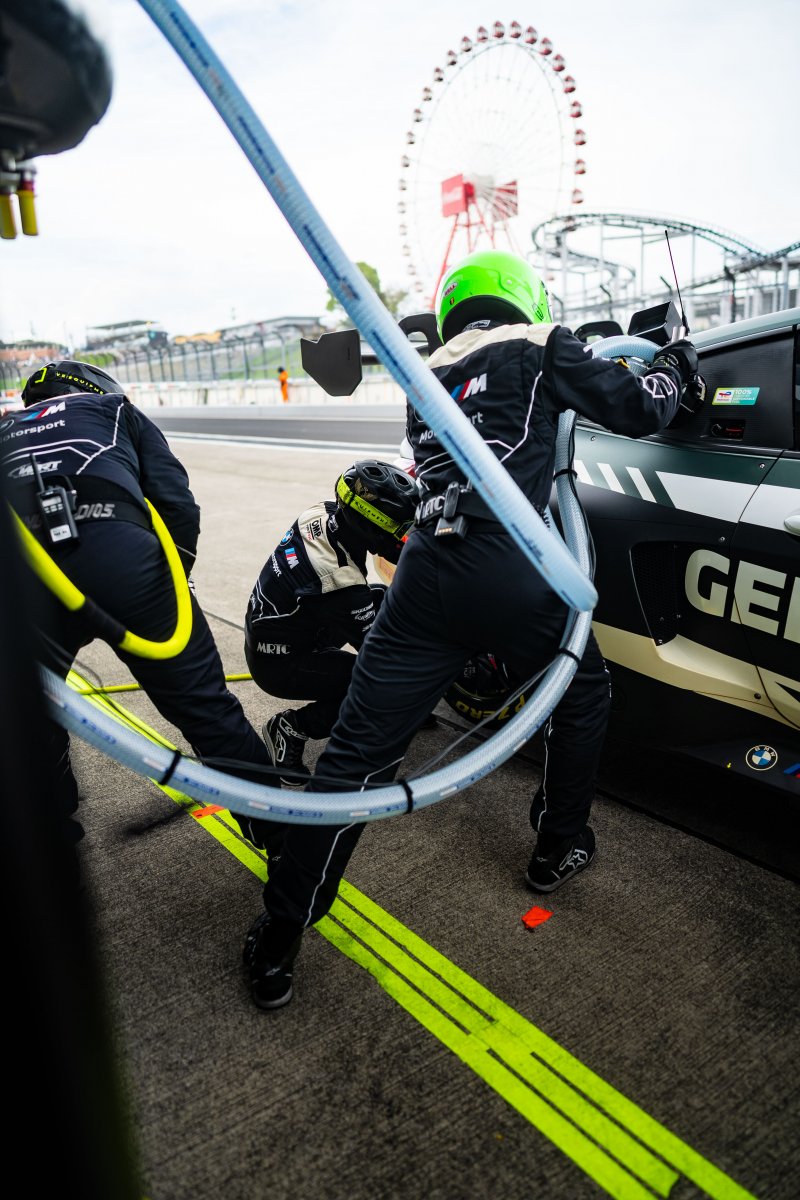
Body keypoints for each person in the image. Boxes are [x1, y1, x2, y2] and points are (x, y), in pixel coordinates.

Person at [242, 248, 704, 1010]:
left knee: (353, 761)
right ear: (525, 298)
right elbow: (640, 408)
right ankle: (558, 845)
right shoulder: (543, 342)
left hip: (426, 571)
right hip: (517, 562)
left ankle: (279, 935)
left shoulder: (425, 374)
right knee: (581, 693)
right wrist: (677, 365)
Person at [2, 359, 281, 881]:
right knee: (208, 712)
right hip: (119, 552)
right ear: (97, 387)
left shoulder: (6, 429)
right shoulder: (114, 409)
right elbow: (175, 502)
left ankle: (52, 841)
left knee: (30, 715)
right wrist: (176, 578)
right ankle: (282, 838)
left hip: (23, 572)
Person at [243, 459, 419, 790]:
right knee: (382, 690)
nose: (403, 537)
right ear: (368, 527)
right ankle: (291, 729)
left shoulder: (322, 512)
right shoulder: (340, 580)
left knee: (381, 598)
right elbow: (381, 658)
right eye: (399, 529)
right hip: (280, 663)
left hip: (285, 626)